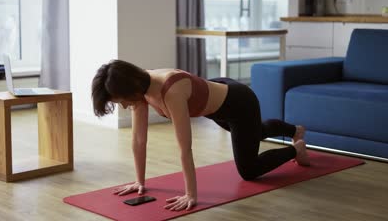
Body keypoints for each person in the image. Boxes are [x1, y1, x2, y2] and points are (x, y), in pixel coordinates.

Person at [91, 60, 310, 212]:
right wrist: (139, 182)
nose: (122, 106)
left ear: (131, 89)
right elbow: (139, 140)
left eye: (120, 100)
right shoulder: (141, 91)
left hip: (239, 102)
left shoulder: (171, 91)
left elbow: (185, 148)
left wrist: (191, 194)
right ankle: (294, 131)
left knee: (249, 170)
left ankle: (296, 148)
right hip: (214, 103)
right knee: (255, 133)